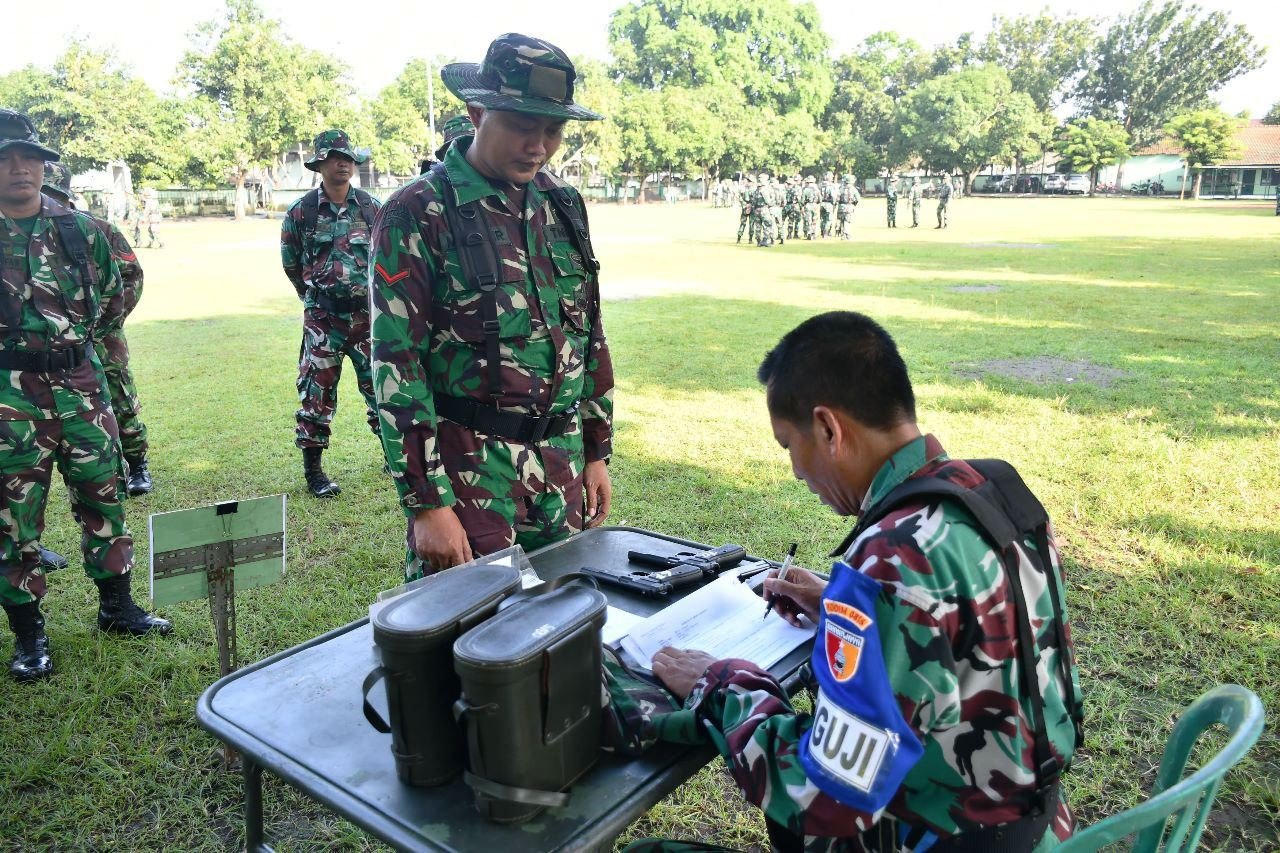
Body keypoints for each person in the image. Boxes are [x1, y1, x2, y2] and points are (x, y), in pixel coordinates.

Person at [649, 311, 1082, 851]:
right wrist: (837, 601)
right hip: (1039, 827)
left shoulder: (885, 565)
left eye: (789, 446)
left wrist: (721, 685)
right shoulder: (991, 489)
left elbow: (825, 797)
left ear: (828, 429)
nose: (795, 472)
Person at [369, 33, 614, 579]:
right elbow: (395, 363)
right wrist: (427, 502)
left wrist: (596, 449)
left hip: (562, 465)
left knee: (561, 634)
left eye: (553, 130)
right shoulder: (419, 210)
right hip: (470, 476)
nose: (539, 145)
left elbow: (587, 332)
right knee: (467, 642)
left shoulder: (562, 203)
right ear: (477, 111)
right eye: (523, 126)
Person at [0, 109, 170, 682]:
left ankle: (117, 608)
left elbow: (123, 287)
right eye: (5, 158)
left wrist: (83, 341)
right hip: (8, 394)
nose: (19, 168)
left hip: (80, 384)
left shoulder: (81, 229)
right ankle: (28, 634)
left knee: (104, 493)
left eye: (28, 157)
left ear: (43, 166)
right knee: (12, 514)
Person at [280, 129, 382, 498]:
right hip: (323, 318)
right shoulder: (302, 211)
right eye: (336, 157)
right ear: (320, 163)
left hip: (368, 317)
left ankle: (395, 455)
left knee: (383, 388)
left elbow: (387, 258)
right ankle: (315, 472)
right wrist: (315, 297)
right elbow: (291, 263)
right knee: (315, 393)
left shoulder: (372, 208)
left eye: (349, 157)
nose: (344, 163)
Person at [42, 162, 153, 497]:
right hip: (50, 349)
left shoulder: (97, 229)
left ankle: (137, 465)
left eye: (52, 195)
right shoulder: (21, 235)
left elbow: (130, 276)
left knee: (120, 399)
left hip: (103, 339)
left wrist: (104, 324)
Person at [835, 174, 860, 240]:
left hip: (841, 206)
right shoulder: (853, 189)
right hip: (849, 206)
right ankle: (846, 234)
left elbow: (837, 198)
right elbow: (858, 199)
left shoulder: (840, 188)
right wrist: (854, 204)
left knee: (841, 220)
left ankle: (841, 233)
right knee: (847, 221)